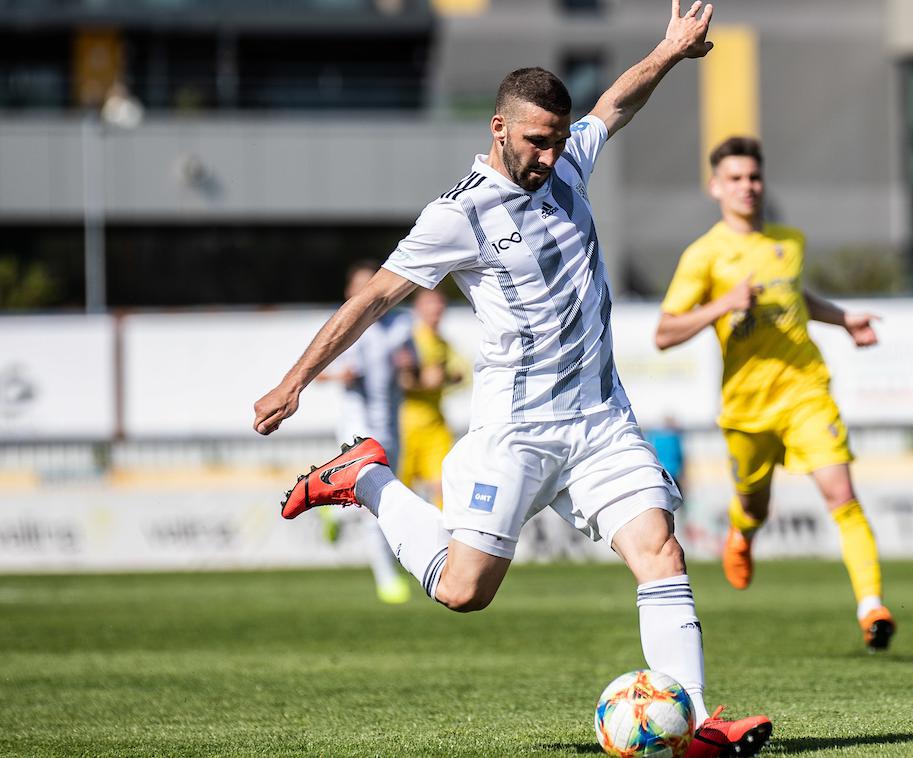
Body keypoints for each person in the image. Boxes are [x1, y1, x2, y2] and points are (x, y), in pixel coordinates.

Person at [252, 4, 772, 755]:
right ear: (498, 129)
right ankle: (364, 479)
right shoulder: (456, 216)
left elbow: (614, 104)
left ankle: (691, 724)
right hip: (516, 429)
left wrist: (668, 50)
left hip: (599, 421)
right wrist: (297, 377)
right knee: (465, 591)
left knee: (660, 550)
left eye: (559, 141)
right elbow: (373, 298)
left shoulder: (569, 161)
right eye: (537, 140)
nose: (552, 155)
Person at [654, 135, 897, 651]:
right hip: (746, 408)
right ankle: (742, 533)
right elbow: (665, 332)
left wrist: (842, 318)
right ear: (716, 186)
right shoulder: (704, 255)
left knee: (842, 496)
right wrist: (724, 304)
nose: (748, 187)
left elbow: (795, 295)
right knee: (755, 505)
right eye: (736, 178)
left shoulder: (789, 241)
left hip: (807, 390)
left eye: (754, 177)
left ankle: (871, 606)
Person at [314, 260, 417, 604]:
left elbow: (412, 376)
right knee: (379, 498)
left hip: (391, 423)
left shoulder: (401, 324)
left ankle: (334, 507)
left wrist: (409, 367)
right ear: (349, 293)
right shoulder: (343, 326)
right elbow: (319, 373)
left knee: (384, 494)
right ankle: (386, 578)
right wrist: (340, 376)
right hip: (356, 425)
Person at [399, 288, 466, 508]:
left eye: (439, 304)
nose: (436, 309)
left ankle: (444, 540)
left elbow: (461, 374)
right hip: (405, 428)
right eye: (430, 304)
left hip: (436, 427)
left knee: (444, 487)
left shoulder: (443, 343)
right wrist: (421, 379)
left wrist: (443, 377)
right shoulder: (409, 340)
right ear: (418, 308)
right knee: (399, 491)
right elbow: (400, 377)